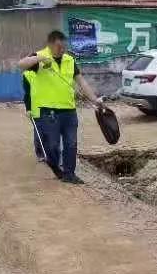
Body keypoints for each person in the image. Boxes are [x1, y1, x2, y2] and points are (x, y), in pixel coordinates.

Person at [18, 30, 104, 185]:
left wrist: (94, 99)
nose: (62, 50)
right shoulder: (39, 58)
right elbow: (21, 64)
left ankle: (69, 174)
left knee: (71, 143)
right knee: (53, 145)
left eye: (64, 47)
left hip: (69, 111)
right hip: (49, 112)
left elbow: (81, 82)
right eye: (59, 47)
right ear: (50, 44)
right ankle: (55, 165)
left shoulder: (69, 60)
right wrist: (40, 58)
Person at [22, 68, 46, 162]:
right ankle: (40, 154)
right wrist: (28, 109)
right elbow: (27, 94)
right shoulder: (27, 74)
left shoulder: (46, 73)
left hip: (49, 108)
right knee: (39, 133)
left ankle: (52, 154)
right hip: (35, 110)